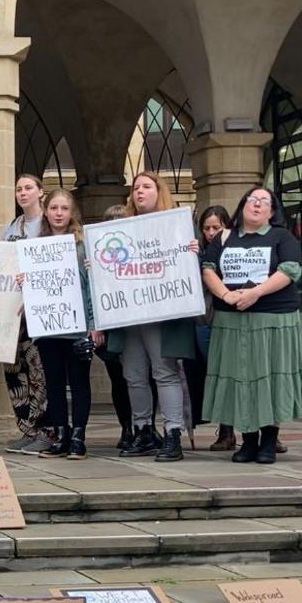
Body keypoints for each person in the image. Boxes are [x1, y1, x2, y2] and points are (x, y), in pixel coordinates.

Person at [201, 187, 302, 464]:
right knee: (240, 377)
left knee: (270, 378)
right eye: (253, 199)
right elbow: (208, 269)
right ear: (242, 206)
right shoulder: (224, 238)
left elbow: (289, 270)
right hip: (232, 320)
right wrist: (227, 295)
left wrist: (255, 293)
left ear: (272, 212)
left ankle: (269, 441)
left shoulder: (282, 237)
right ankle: (247, 440)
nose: (258, 205)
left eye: (265, 202)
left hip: (273, 319)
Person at [105, 171, 199, 462]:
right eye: (136, 188)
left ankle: (172, 433)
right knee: (133, 375)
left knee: (164, 372)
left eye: (146, 187)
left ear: (160, 191)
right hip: (131, 312)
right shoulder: (122, 229)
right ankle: (143, 429)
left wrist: (194, 252)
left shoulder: (176, 226)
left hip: (162, 313)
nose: (140, 192)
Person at [21, 189, 98, 459]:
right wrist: (25, 281)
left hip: (77, 327)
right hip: (49, 326)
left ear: (71, 212)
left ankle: (78, 436)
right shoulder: (35, 246)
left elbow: (92, 287)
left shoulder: (82, 244)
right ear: (46, 211)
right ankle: (61, 434)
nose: (58, 213)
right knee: (52, 383)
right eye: (54, 208)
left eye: (64, 208)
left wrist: (93, 324)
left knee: (79, 382)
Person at [3, 174, 52, 455]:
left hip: (37, 312)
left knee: (39, 372)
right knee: (15, 371)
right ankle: (27, 428)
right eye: (19, 189)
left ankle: (45, 428)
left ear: (40, 192)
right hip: (12, 312)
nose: (23, 193)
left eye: (28, 188)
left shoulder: (47, 224)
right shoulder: (12, 227)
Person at [190, 205, 232, 451]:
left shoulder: (237, 251)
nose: (211, 232)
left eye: (217, 227)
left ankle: (260, 429)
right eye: (206, 228)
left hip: (231, 320)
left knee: (237, 374)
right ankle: (226, 430)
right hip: (204, 321)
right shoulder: (198, 253)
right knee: (216, 375)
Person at [98, 203, 136, 450]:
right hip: (112, 325)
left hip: (136, 323)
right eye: (112, 221)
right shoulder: (100, 254)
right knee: (119, 381)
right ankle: (126, 427)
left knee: (142, 379)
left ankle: (144, 425)